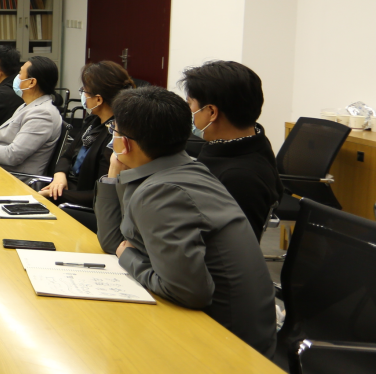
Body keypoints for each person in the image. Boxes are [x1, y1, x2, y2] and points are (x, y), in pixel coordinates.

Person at [95, 87, 275, 357]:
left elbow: (188, 292)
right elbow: (113, 242)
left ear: (126, 143)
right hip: (229, 328)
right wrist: (114, 171)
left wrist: (128, 257)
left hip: (227, 345)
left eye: (115, 132)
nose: (113, 138)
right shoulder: (182, 168)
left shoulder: (161, 192)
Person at [180, 61, 283, 239]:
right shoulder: (250, 139)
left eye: (190, 104)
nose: (189, 111)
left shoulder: (240, 179)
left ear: (211, 112)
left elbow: (233, 247)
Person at [39, 61, 135, 231]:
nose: (82, 94)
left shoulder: (115, 137)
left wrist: (57, 195)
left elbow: (100, 193)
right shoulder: (93, 122)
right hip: (64, 190)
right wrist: (60, 175)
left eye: (84, 91)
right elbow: (67, 156)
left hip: (82, 205)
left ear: (98, 99)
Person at [0, 56, 62, 175]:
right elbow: (10, 136)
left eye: (20, 73)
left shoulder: (43, 115)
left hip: (15, 177)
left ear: (31, 82)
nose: (16, 77)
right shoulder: (27, 105)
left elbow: (13, 156)